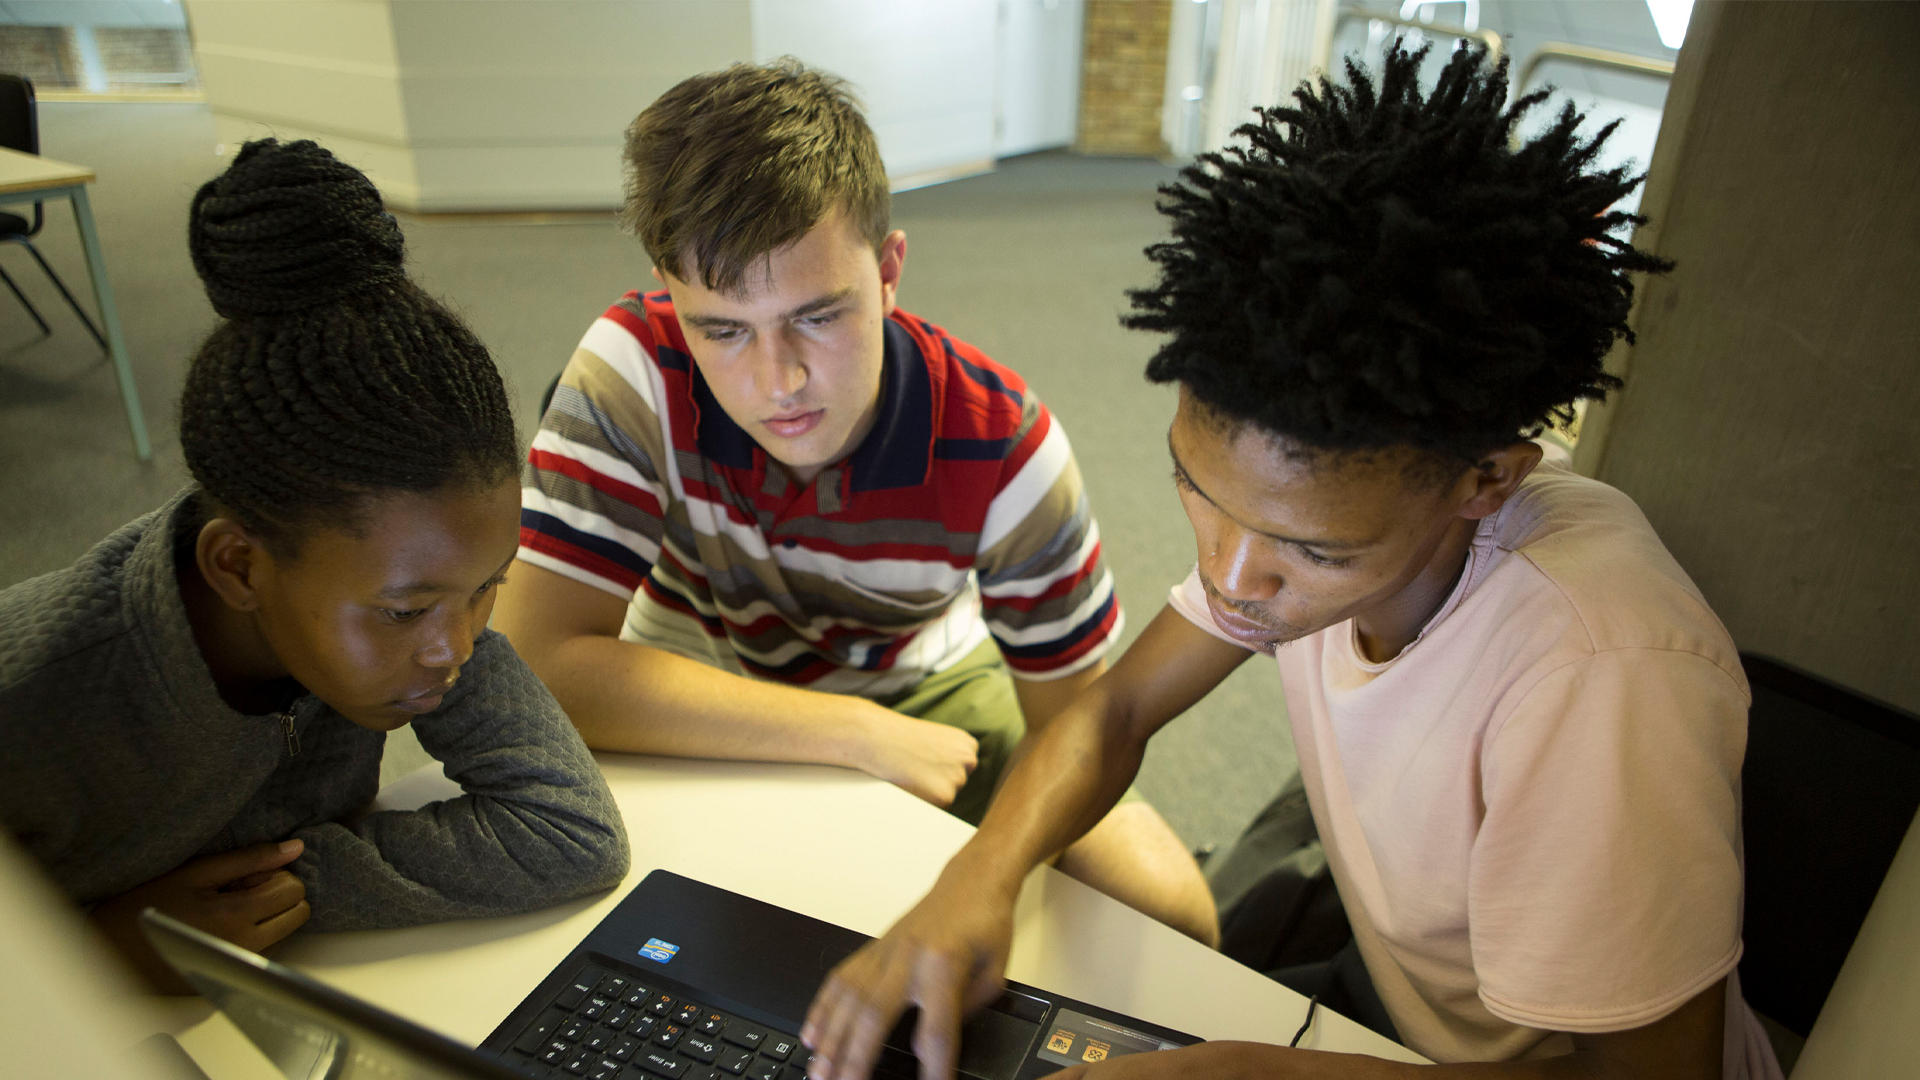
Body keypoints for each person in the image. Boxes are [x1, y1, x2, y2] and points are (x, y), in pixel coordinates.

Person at [799, 45, 1784, 1080]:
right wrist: (975, 881)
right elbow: (1115, 711)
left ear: (1485, 482)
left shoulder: (1598, 669)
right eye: (1195, 488)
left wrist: (1245, 1074)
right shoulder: (1281, 525)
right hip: (1393, 1009)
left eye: (1313, 549)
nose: (1230, 579)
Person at [490, 59, 1215, 944]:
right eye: (721, 330)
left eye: (818, 315)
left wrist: (986, 865)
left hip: (923, 683)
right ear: (670, 292)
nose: (779, 380)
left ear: (889, 270)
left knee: (1171, 910)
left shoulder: (1006, 445)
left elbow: (1082, 734)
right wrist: (849, 734)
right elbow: (534, 665)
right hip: (689, 672)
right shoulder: (632, 365)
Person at [0, 139, 630, 993]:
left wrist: (293, 886)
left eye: (491, 588)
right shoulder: (38, 701)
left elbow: (569, 830)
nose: (457, 647)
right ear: (239, 569)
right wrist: (89, 954)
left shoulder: (423, 600)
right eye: (406, 614)